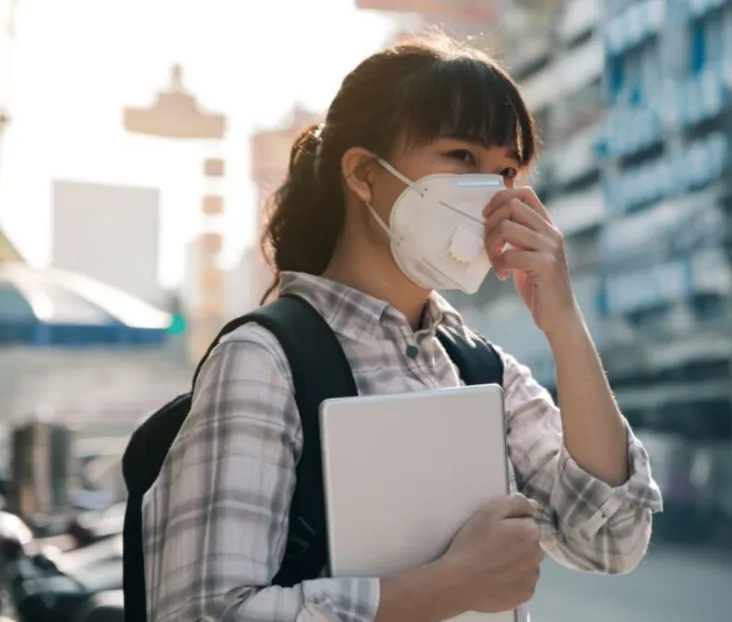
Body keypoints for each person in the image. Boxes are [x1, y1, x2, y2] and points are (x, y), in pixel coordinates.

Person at [142, 32, 663, 622]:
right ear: (364, 174)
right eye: (461, 157)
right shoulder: (266, 360)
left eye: (507, 170)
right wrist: (448, 587)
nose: (490, 195)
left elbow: (612, 539)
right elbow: (204, 612)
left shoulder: (479, 369)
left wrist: (564, 323)